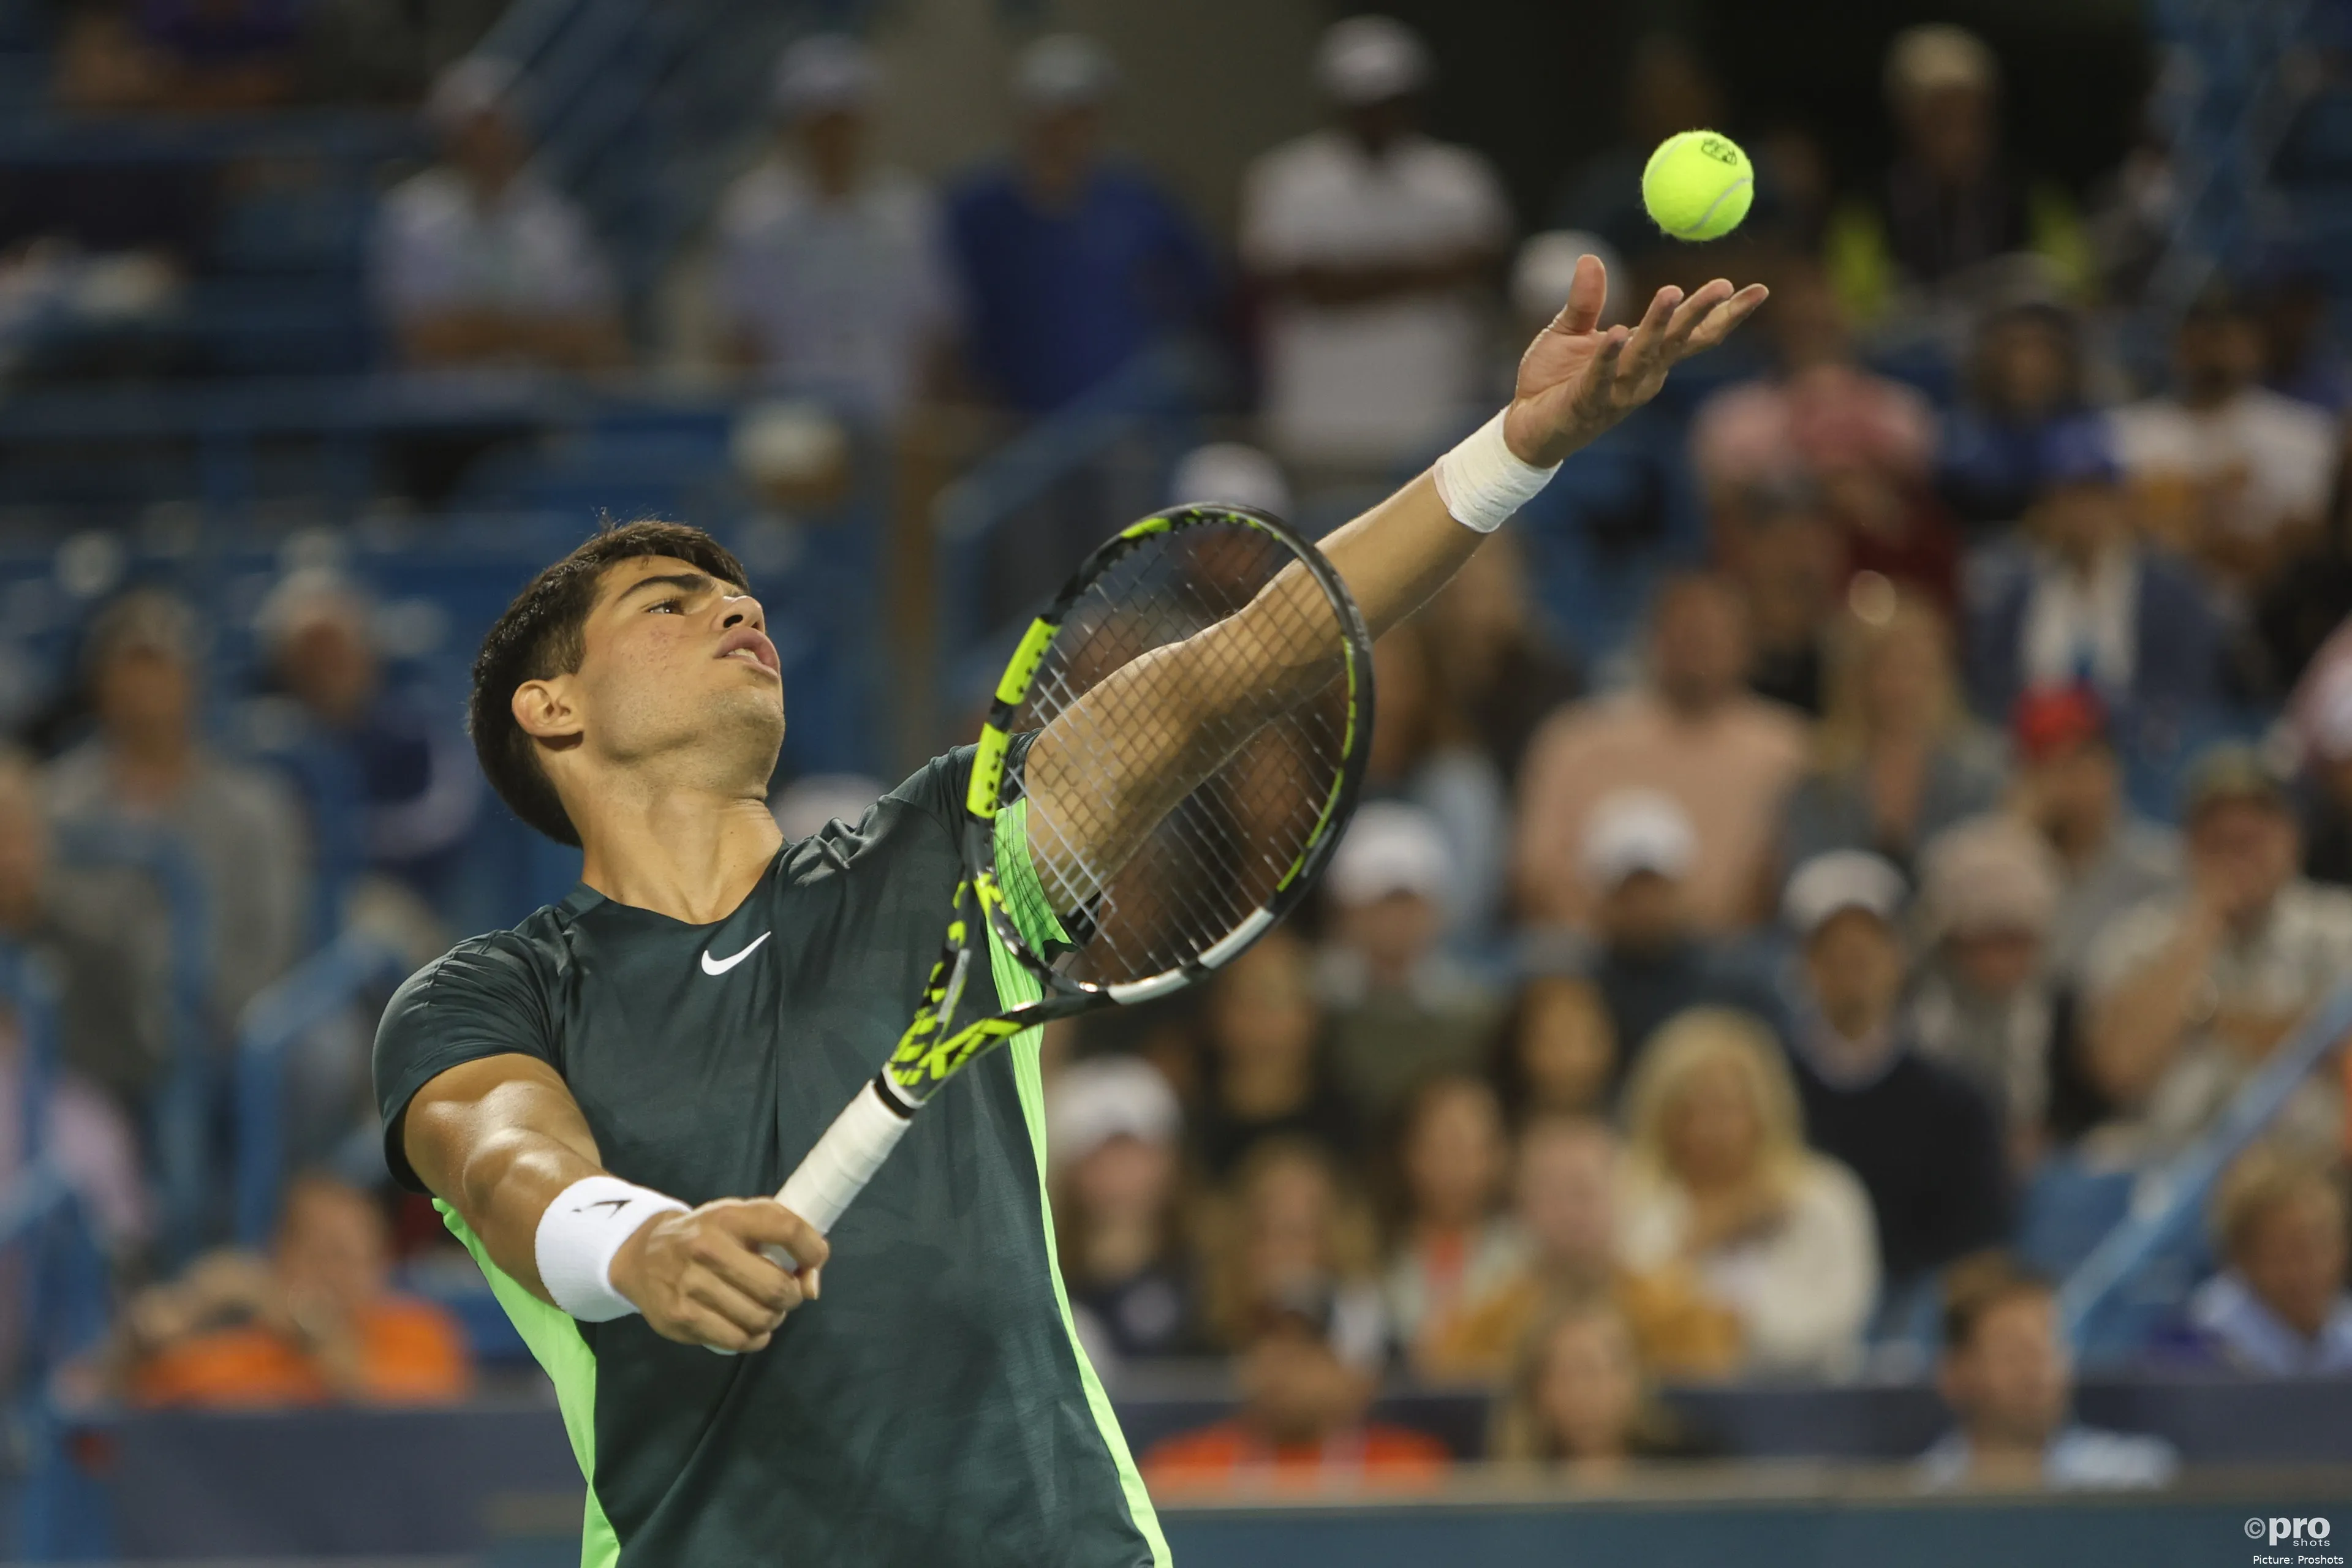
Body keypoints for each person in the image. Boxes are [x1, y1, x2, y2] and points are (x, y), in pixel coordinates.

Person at [369, 250, 1768, 1559]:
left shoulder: (948, 850)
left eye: (741, 596)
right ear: (550, 708)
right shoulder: (496, 992)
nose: (740, 611)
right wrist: (640, 1243)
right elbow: (504, 1161)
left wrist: (1515, 449)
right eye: (671, 603)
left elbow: (1236, 667)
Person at [1241, 15, 1511, 472]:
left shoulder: (1459, 179)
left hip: (1440, 423)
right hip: (1321, 425)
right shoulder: (1286, 181)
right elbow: (1307, 287)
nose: (1378, 116)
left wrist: (1352, 274)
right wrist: (1427, 270)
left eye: (1390, 102)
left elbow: (1482, 263)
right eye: (1363, 103)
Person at [48, 590, 308, 1037]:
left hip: (221, 1029)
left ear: (193, 681)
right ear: (100, 685)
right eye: (130, 668)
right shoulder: (53, 803)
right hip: (85, 1030)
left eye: (160, 667)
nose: (145, 687)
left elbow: (269, 948)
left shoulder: (255, 807)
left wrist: (196, 1024)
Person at [2084, 745, 2352, 1162]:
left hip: (2308, 1163)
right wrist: (2202, 925)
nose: (2236, 860)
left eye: (2251, 841)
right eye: (2218, 843)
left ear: (2291, 838)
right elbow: (2121, 1069)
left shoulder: (2339, 928)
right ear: (2187, 846)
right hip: (2165, 1163)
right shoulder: (2136, 938)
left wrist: (2210, 1020)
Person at [1514, 573, 1809, 933]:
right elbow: (1536, 874)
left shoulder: (1790, 752)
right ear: (1652, 639)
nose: (1698, 647)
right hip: (1592, 945)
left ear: (1747, 646)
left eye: (1713, 634)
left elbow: (1797, 883)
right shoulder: (1577, 739)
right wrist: (1618, 930)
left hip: (1737, 951)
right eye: (1685, 632)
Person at [942, 34, 1219, 415]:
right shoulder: (977, 209)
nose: (1066, 130)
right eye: (1053, 115)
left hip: (1120, 411)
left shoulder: (1137, 197)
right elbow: (945, 317)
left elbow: (1198, 282)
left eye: (1081, 115)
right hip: (1009, 414)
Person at [1780, 851, 2010, 1295]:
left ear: (1898, 959)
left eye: (1865, 952)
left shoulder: (1955, 1102)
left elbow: (1978, 1245)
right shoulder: (1768, 1089)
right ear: (1807, 964)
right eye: (1833, 953)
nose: (1851, 969)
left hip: (1917, 1307)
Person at [1614, 1008, 1877, 1377]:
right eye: (1687, 1110)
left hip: (1804, 1389)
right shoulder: (1627, 1193)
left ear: (1763, 1109)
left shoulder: (1823, 1195)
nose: (1707, 1129)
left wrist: (1733, 1324)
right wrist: (1701, 1240)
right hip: (1666, 1389)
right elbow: (1625, 1308)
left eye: (1725, 1108)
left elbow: (1841, 1312)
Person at [1692, 258, 1956, 613]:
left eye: (1823, 315)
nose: (1813, 325)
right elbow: (1723, 527)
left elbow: (1920, 520)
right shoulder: (1731, 418)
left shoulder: (1902, 410)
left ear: (1851, 317)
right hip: (1769, 589)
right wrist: (1819, 490)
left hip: (1885, 582)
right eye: (1801, 318)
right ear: (1776, 323)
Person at [713, 35, 952, 424]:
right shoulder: (754, 216)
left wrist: (922, 420)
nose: (834, 138)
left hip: (893, 418)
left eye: (845, 122)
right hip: (794, 428)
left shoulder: (909, 211)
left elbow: (932, 327)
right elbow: (741, 334)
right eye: (820, 123)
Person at [117, 1172, 471, 1408]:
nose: (348, 1276)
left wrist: (302, 1322)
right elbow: (125, 1400)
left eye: (365, 1258)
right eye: (330, 1256)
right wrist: (160, 1325)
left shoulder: (421, 1335)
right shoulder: (243, 1355)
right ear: (282, 1255)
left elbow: (387, 1406)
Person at [1426, 1116, 1739, 1381]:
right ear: (1522, 1207)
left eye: (1584, 1191)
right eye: (1552, 1194)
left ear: (1620, 1198)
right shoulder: (1481, 1329)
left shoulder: (1679, 1318)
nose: (1570, 1213)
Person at [249, 570, 481, 921]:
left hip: (399, 900)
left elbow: (443, 820)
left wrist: (342, 841)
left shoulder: (410, 731)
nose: (325, 669)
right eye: (311, 656)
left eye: (337, 652)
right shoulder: (265, 743)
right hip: (283, 900)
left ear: (367, 654)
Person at [1961, 418, 2220, 729]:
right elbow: (1990, 688)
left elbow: (2188, 689)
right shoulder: (2015, 595)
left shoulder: (2170, 594)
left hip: (2144, 745)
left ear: (2120, 501)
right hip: (2032, 744)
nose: (2082, 513)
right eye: (2068, 497)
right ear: (2047, 507)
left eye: (2095, 496)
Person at [372, 56, 626, 372]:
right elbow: (426, 338)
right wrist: (538, 328)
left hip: (544, 395)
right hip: (445, 399)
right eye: (474, 128)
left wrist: (484, 327)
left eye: (496, 125)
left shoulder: (556, 218)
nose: (486, 141)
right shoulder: (412, 213)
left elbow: (596, 334)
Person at [1545, 788, 1787, 1094]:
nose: (1643, 904)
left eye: (1654, 887)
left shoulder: (1733, 988)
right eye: (1628, 890)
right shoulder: (1581, 992)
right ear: (1602, 897)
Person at [2109, 283, 2336, 600]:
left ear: (2256, 344)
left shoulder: (2306, 434)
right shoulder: (2124, 433)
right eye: (2201, 336)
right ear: (2179, 344)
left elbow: (2320, 538)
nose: (2213, 351)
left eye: (2226, 337)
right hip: (2156, 604)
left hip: (2276, 604)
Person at [1777, 594, 2006, 881]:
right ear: (1858, 679)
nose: (1904, 685)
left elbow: (1992, 866)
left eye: (1916, 668)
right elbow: (1806, 874)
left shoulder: (1983, 769)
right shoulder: (1822, 777)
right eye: (1888, 668)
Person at [1141, 1289, 1450, 1492]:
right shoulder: (1183, 1473)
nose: (1279, 1361)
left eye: (1306, 1348)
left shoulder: (1411, 1473)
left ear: (1361, 1378)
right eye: (1267, 1342)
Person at [0, 748, 169, 1119]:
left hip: (74, 1124)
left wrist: (37, 1046)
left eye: (19, 837)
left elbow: (136, 1063)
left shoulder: (92, 944)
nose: (9, 858)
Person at [1917, 1251, 2179, 1490]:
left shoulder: (2134, 1481)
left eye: (2048, 1346)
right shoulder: (1919, 1493)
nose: (2037, 1370)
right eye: (2013, 1352)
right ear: (1956, 1373)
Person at [1318, 802, 1500, 1120]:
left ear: (1437, 911)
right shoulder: (1312, 1004)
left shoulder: (1474, 1013)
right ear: (1345, 911)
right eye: (1380, 903)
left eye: (1409, 903)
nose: (1396, 920)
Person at [1907, 816, 2072, 1167]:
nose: (2004, 962)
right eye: (1990, 939)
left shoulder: (2064, 1014)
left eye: (2018, 941)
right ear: (1952, 943)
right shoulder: (1910, 1018)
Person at [2002, 686, 2180, 987]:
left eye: (2082, 762)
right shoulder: (2014, 858)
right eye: (2052, 766)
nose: (2074, 784)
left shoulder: (2161, 865)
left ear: (2111, 766)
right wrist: (2017, 837)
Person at [1048, 1055, 1197, 1370]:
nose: (1116, 1172)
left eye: (1132, 1150)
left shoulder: (1212, 1276)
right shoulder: (1042, 1281)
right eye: (1096, 1154)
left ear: (1170, 1160)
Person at [1200, 1138, 1389, 1370]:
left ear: (1337, 1244)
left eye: (1297, 1234)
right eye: (1262, 1232)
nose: (1279, 1252)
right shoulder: (1198, 1345)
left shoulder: (1377, 1346)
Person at [1868, 24, 2029, 296]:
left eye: (1973, 118)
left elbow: (2075, 290)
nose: (1962, 137)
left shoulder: (2029, 199)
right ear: (1908, 123)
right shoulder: (1871, 208)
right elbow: (1855, 304)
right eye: (1943, 120)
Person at [1189, 925, 1359, 1181]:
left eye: (1273, 997)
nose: (1255, 1015)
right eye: (1241, 996)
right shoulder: (1181, 1123)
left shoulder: (1351, 1130)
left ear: (1311, 1014)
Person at [2165, 1147, 2352, 1375]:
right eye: (2286, 1253)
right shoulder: (2194, 1350)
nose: (2309, 1269)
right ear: (2241, 1258)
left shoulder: (2345, 1332)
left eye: (2322, 1244)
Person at [1486, 1294, 1717, 1476]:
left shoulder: (1695, 1471)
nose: (1586, 1394)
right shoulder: (1497, 1486)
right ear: (1535, 1388)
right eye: (1568, 1374)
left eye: (1598, 1370)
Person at [1383, 1073, 1522, 1366]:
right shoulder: (1372, 1258)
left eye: (1466, 1148)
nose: (1453, 1167)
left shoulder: (1527, 1258)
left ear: (1499, 1156)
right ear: (1409, 1154)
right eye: (1439, 1147)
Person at [1937, 300, 2093, 530]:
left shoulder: (2082, 427)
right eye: (2016, 348)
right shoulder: (1961, 432)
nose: (2027, 364)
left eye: (2041, 349)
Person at [1730, 478, 1844, 718]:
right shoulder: (1716, 652)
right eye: (1787, 542)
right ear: (1748, 551)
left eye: (1817, 545)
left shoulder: (1848, 653)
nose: (1805, 564)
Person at [1488, 973, 1617, 1122]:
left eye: (1587, 1037)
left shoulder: (1629, 1121)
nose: (1572, 1057)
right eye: (1557, 1040)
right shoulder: (1489, 1123)